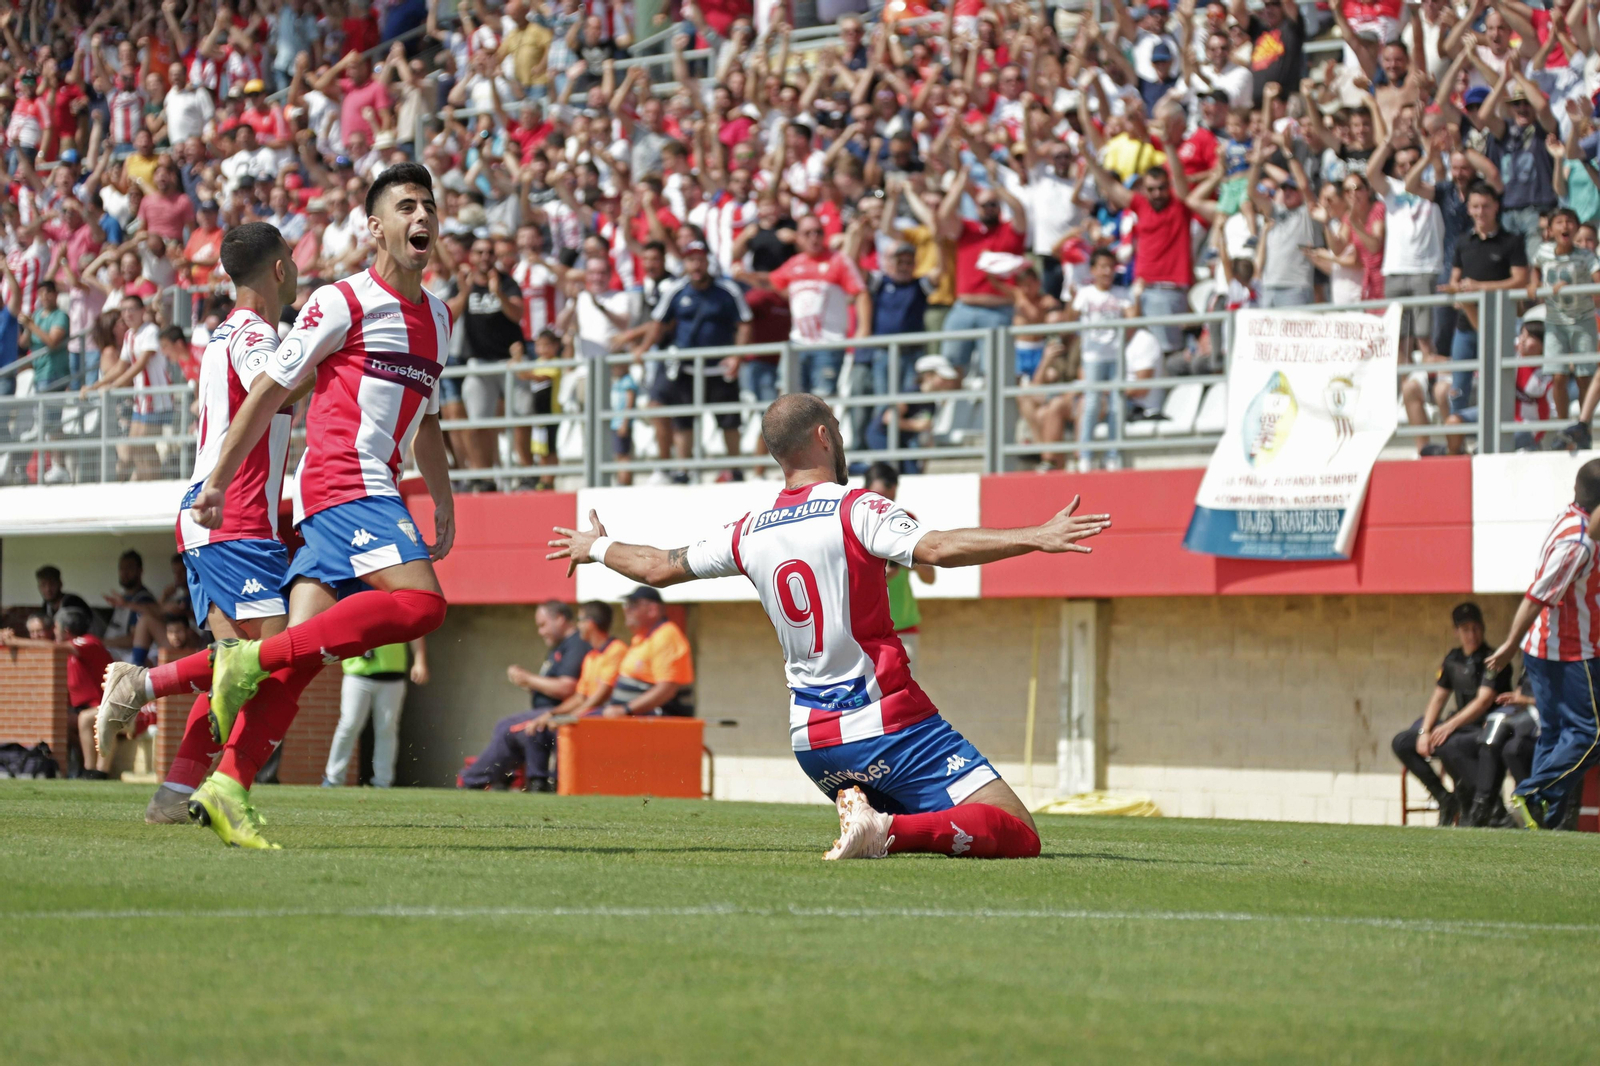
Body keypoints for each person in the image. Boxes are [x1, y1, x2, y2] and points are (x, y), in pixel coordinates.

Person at [548, 393, 1112, 860]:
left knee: (945, 825)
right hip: (886, 720)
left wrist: (594, 546)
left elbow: (659, 567)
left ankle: (875, 822)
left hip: (813, 742)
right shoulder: (857, 508)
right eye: (837, 429)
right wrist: (1035, 535)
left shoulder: (747, 529)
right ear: (823, 436)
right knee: (1014, 829)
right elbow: (936, 548)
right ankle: (884, 831)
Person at [109, 165, 455, 849]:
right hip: (345, 485)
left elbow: (431, 421)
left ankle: (224, 788)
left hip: (344, 496)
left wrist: (444, 502)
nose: (422, 217)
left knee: (292, 663)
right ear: (374, 226)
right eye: (405, 206)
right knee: (422, 606)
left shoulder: (438, 318)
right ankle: (210, 675)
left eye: (428, 206)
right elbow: (267, 390)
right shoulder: (340, 301)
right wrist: (216, 484)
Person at [96, 222, 313, 832]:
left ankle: (173, 793)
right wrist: (339, 354)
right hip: (233, 518)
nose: (296, 269)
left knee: (233, 669)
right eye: (292, 259)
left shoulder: (223, 335)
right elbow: (278, 383)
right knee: (280, 654)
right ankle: (142, 683)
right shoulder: (253, 334)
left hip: (219, 518)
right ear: (277, 271)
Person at [1486, 459, 1600, 829]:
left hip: (1547, 650)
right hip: (1569, 652)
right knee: (1590, 734)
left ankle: (1543, 825)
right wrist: (1508, 644)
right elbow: (1538, 595)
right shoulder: (1577, 544)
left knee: (1553, 734)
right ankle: (1532, 793)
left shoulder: (1571, 517)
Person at [638, 240, 753, 481]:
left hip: (719, 369)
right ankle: (684, 471)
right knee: (683, 422)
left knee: (729, 420)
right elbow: (658, 322)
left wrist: (737, 356)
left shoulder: (727, 290)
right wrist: (642, 349)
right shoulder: (676, 290)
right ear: (685, 263)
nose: (696, 264)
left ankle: (736, 469)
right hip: (686, 368)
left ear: (708, 262)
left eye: (700, 259)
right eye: (691, 259)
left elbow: (744, 323)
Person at [1389, 602, 1511, 825]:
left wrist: (1447, 726)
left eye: (1476, 628)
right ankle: (1445, 799)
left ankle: (1491, 809)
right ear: (1456, 632)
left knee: (1447, 743)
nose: (1472, 634)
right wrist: (1425, 732)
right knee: (1403, 742)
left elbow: (1483, 702)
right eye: (1466, 630)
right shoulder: (1453, 659)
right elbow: (1438, 697)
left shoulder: (1493, 658)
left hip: (1483, 728)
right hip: (1458, 727)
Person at [461, 601, 589, 790]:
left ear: (560, 619)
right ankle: (505, 779)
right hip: (547, 713)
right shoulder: (559, 647)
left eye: (543, 624)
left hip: (561, 714)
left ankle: (471, 781)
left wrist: (528, 679)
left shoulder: (576, 644)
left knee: (509, 728)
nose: (540, 631)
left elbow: (567, 688)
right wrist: (528, 684)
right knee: (510, 727)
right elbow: (552, 686)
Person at [513, 600, 630, 787]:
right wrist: (552, 714)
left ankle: (562, 782)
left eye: (580, 620)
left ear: (590, 623)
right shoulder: (592, 656)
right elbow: (579, 697)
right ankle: (538, 784)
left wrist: (569, 717)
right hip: (590, 713)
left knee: (564, 727)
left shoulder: (616, 650)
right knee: (539, 725)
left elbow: (599, 696)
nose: (578, 625)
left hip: (605, 715)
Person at [1, 606, 113, 778]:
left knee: (83, 719)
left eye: (54, 627)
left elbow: (52, 646)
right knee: (59, 721)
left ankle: (93, 772)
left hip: (112, 705)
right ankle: (66, 769)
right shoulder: (68, 649)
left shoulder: (88, 641)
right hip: (86, 708)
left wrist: (15, 641)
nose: (53, 631)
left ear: (66, 630)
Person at [322, 638, 429, 789]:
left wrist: (420, 661)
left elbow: (416, 632)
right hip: (357, 673)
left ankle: (383, 781)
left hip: (393, 674)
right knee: (349, 725)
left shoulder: (400, 612)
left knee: (387, 728)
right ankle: (334, 778)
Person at [864, 463, 935, 667]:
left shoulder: (906, 520)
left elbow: (929, 577)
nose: (881, 505)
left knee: (904, 697)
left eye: (886, 498)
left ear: (894, 491)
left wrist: (910, 561)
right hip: (866, 630)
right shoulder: (851, 523)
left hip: (903, 627)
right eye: (876, 497)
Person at [598, 587, 696, 718]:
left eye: (632, 605)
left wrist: (625, 709)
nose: (625, 609)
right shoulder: (643, 637)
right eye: (626, 605)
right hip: (635, 718)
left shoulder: (666, 636)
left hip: (658, 722)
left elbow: (667, 689)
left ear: (652, 610)